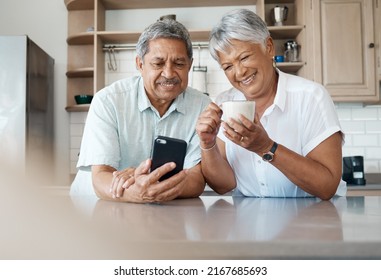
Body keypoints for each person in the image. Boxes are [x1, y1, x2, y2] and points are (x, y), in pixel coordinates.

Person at [196, 9, 346, 200]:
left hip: (312, 219)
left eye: (244, 58)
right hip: (250, 222)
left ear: (268, 47)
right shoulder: (224, 103)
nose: (240, 72)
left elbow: (327, 186)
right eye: (228, 66)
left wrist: (266, 147)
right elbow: (224, 185)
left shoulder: (311, 97)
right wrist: (207, 144)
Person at [70, 19, 211, 203]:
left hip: (159, 212)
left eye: (179, 64)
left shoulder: (202, 106)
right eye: (158, 64)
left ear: (190, 65)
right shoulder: (108, 100)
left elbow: (196, 179)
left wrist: (150, 183)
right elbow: (100, 177)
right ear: (140, 64)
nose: (169, 73)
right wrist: (137, 190)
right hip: (96, 206)